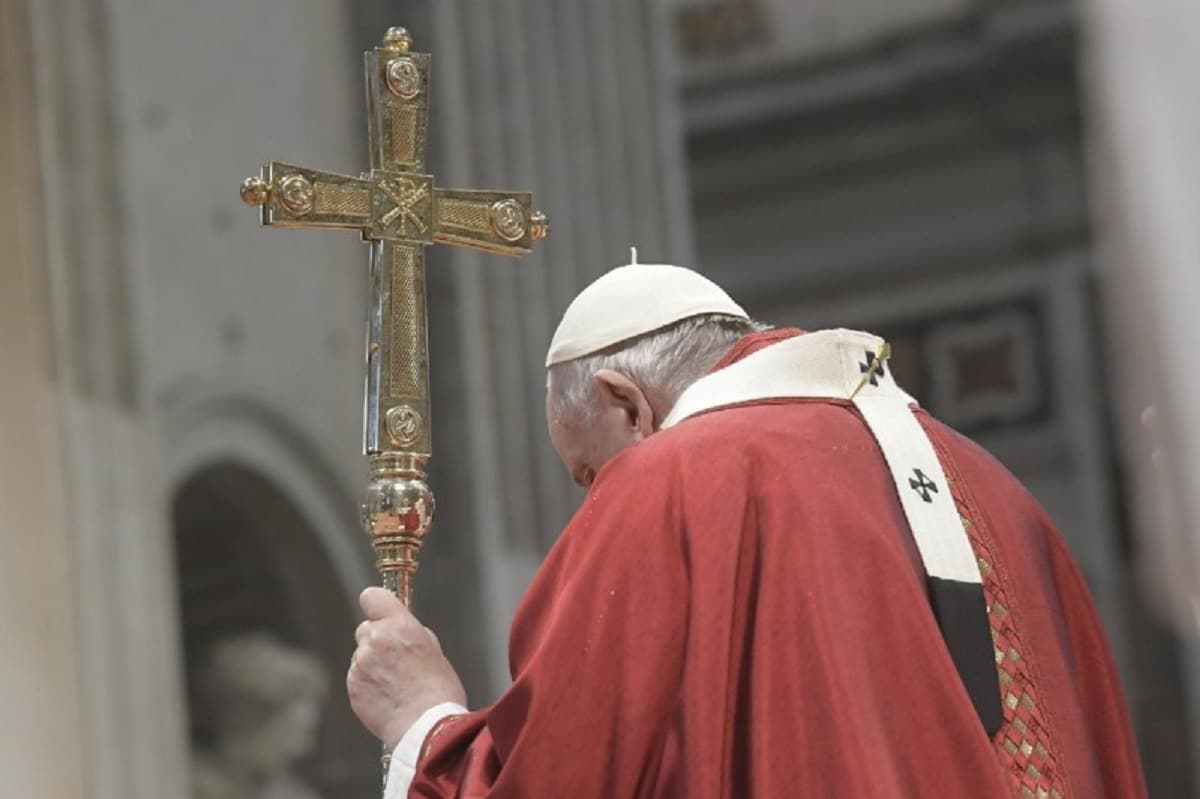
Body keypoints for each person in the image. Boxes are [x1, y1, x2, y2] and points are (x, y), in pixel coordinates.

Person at [347, 262, 1147, 798]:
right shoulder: (996, 486)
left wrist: (424, 724)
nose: (595, 504)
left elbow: (563, 775)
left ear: (627, 403)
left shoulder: (674, 482)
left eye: (588, 473)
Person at [192, 632, 328, 799]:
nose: (304, 751)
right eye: (294, 734)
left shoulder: (292, 794)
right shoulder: (182, 784)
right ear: (244, 717)